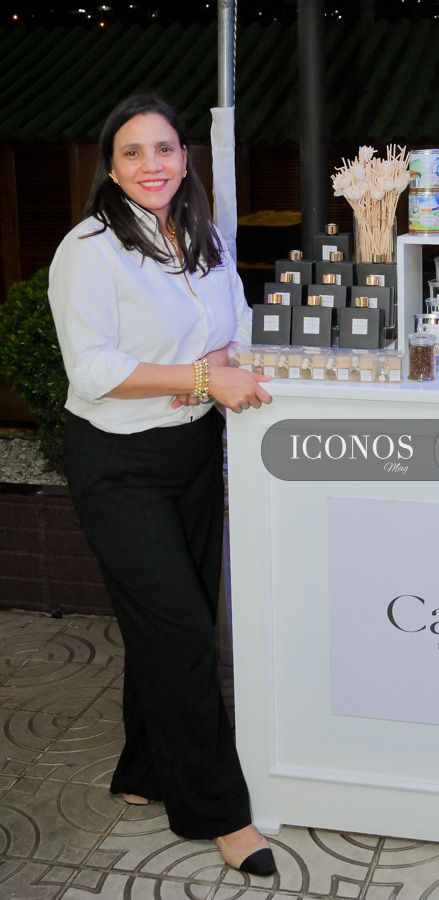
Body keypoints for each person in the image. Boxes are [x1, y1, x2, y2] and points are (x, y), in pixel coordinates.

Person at [48, 94, 276, 877]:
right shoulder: (90, 248)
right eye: (133, 152)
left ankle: (143, 766)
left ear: (186, 159)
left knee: (174, 623)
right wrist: (201, 376)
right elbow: (94, 370)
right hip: (118, 464)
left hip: (190, 451)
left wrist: (225, 363)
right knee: (180, 633)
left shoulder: (202, 236)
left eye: (166, 149)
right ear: (111, 168)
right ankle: (219, 812)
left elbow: (234, 325)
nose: (153, 165)